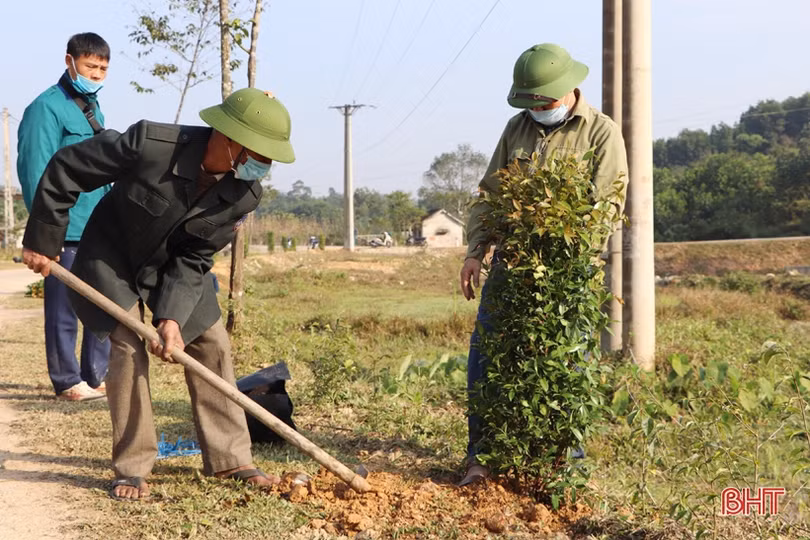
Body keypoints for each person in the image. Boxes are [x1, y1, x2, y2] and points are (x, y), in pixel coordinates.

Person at [21, 88, 296, 501]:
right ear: (227, 137)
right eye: (259, 153)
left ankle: (231, 458)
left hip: (175, 267)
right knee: (129, 346)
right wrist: (45, 238)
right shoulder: (151, 143)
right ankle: (132, 469)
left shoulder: (244, 194)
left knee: (213, 342)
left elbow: (195, 255)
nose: (264, 165)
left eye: (270, 158)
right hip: (112, 256)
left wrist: (171, 317)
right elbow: (68, 167)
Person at [458, 43, 629, 486]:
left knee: (565, 361)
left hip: (565, 274)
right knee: (488, 357)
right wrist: (476, 251)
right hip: (511, 266)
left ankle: (563, 467)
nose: (537, 110)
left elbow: (607, 205)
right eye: (530, 103)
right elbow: (491, 194)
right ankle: (482, 457)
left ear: (568, 89)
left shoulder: (601, 133)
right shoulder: (516, 128)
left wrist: (564, 255)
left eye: (544, 102)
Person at [17, 32, 112, 401]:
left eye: (103, 68)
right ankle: (67, 380)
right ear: (69, 61)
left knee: (101, 302)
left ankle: (96, 375)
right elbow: (35, 171)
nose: (97, 74)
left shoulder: (93, 108)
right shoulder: (46, 107)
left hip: (97, 223)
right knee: (63, 307)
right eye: (91, 66)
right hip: (64, 226)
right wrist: (45, 233)